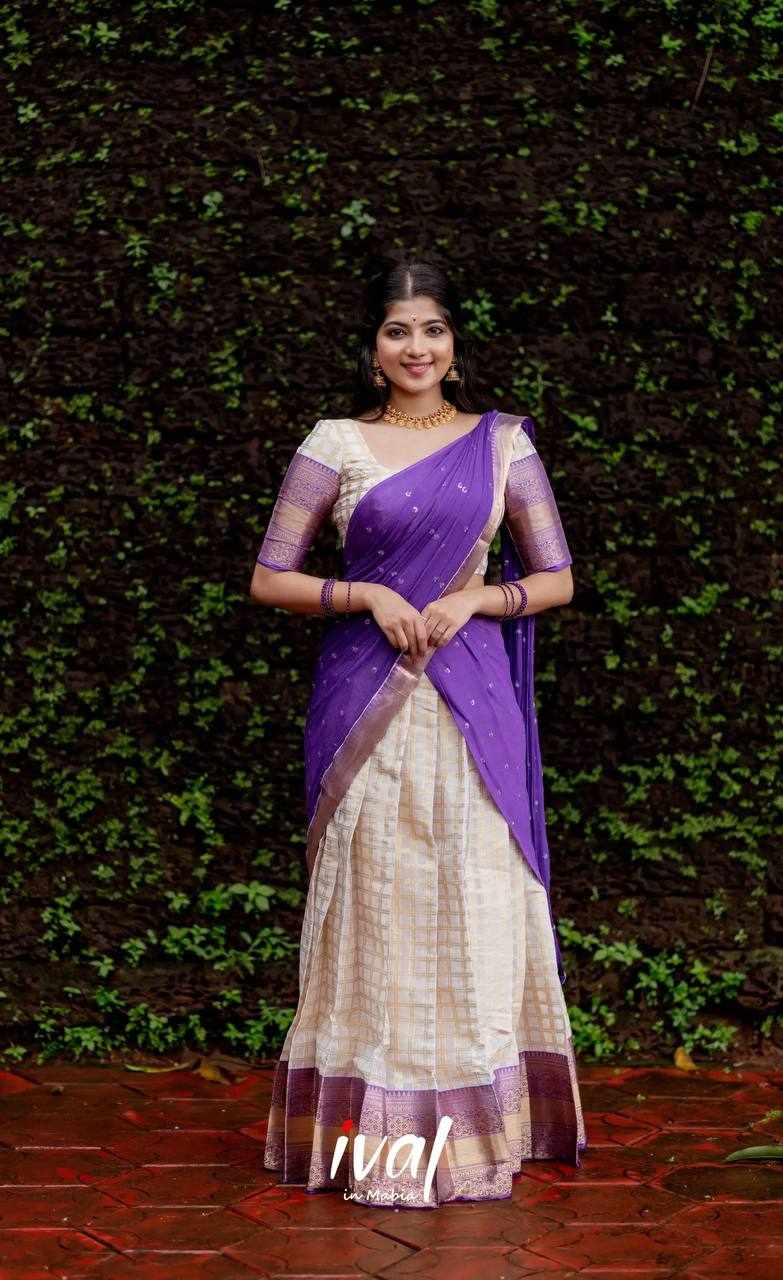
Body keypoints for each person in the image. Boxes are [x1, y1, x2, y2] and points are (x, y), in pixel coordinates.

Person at [249, 252, 586, 1209]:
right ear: (372, 348)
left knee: (473, 900)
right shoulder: (334, 445)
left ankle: (477, 1141)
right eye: (397, 331)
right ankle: (379, 1149)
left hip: (472, 700)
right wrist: (364, 594)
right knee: (379, 906)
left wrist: (478, 597)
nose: (416, 347)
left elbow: (557, 577)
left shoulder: (501, 444)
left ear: (454, 342)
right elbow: (270, 576)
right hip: (369, 699)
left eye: (431, 329)